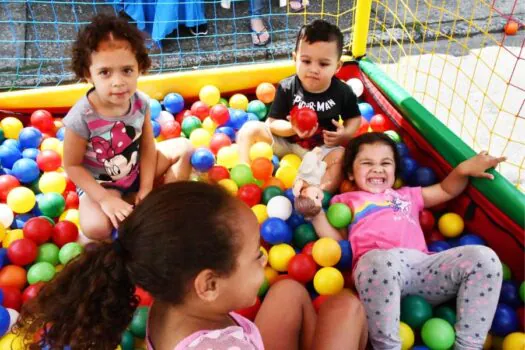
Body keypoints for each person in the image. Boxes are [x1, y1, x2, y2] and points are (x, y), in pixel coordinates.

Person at [14, 182, 368, 350]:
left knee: (289, 290)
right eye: (255, 255)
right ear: (209, 285)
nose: (264, 259)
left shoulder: (171, 299)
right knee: (347, 307)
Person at [310, 132, 506, 350]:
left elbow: (445, 189)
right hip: (377, 272)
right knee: (377, 261)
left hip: (423, 268)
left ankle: (468, 346)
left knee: (485, 258)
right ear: (351, 173)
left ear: (395, 169)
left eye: (386, 163)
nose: (377, 169)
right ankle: (388, 346)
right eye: (367, 163)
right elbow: (337, 242)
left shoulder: (406, 196)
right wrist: (316, 215)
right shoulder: (345, 202)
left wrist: (463, 170)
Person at [62, 14, 193, 240]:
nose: (118, 81)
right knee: (95, 228)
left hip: (137, 171)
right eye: (105, 72)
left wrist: (146, 188)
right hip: (102, 183)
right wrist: (104, 199)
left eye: (127, 70)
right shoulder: (81, 117)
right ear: (87, 74)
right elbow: (72, 165)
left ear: (139, 67)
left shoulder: (140, 102)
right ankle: (129, 204)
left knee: (185, 148)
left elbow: (148, 147)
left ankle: (158, 203)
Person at [237, 19, 362, 193]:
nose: (313, 69)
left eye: (323, 64)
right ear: (295, 59)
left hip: (320, 150)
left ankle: (315, 192)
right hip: (285, 144)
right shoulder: (287, 87)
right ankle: (243, 176)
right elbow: (271, 123)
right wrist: (292, 128)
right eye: (306, 61)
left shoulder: (343, 91)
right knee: (250, 128)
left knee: (341, 157)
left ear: (337, 66)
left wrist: (345, 134)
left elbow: (355, 118)